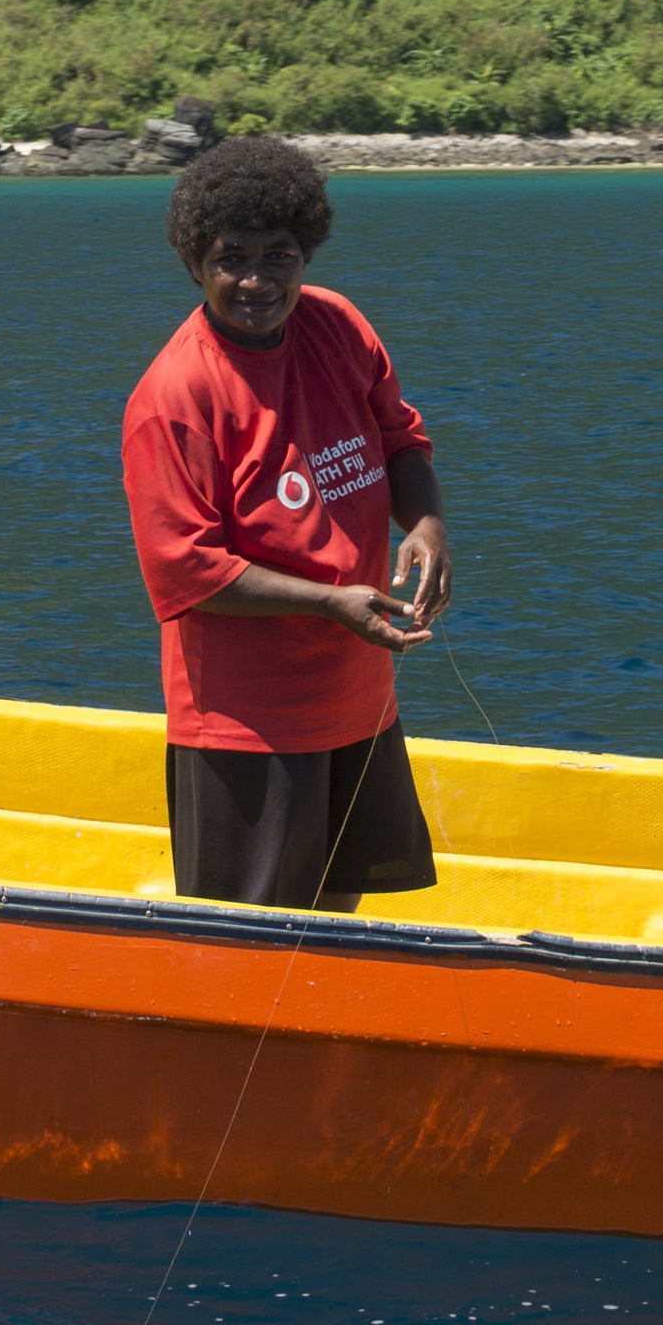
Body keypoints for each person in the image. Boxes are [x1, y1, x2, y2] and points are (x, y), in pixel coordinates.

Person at [121, 132, 451, 912]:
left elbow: (402, 440)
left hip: (358, 696)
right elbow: (188, 573)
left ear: (307, 254)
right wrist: (330, 601)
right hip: (247, 725)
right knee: (250, 942)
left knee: (336, 920)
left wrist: (428, 526)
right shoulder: (174, 399)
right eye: (232, 257)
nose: (256, 279)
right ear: (194, 262)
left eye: (280, 256)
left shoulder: (337, 327)